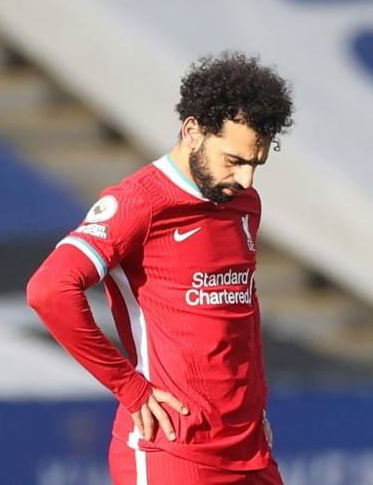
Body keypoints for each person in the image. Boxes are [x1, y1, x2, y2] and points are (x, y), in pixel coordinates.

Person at [27, 51, 294, 484]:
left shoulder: (243, 203)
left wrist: (255, 405)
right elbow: (49, 289)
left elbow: (242, 311)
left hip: (250, 452)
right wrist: (130, 388)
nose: (247, 180)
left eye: (255, 163)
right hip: (173, 453)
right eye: (235, 160)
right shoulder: (139, 201)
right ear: (193, 131)